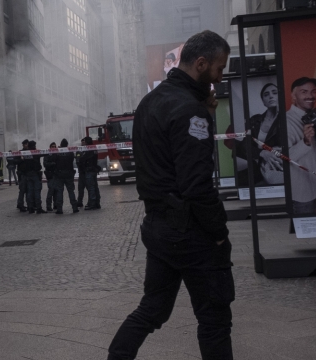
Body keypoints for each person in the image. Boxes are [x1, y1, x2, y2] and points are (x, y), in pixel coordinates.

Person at [107, 30, 233, 360]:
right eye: (219, 69)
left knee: (152, 309)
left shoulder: (151, 102)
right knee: (215, 318)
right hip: (191, 233)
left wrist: (202, 109)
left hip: (159, 226)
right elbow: (197, 184)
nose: (220, 78)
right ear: (201, 63)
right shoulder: (190, 110)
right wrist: (218, 234)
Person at [286, 77, 316, 214]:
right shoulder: (286, 121)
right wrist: (305, 141)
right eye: (304, 92)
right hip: (300, 194)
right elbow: (283, 158)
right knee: (301, 233)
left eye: (313, 91)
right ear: (293, 96)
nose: (310, 96)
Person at [235, 83, 283, 186]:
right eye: (266, 94)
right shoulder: (254, 120)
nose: (271, 96)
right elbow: (245, 145)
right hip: (257, 165)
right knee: (239, 181)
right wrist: (262, 153)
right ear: (263, 102)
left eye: (275, 93)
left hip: (278, 166)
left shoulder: (287, 118)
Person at [19, 141, 46, 214]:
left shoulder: (25, 153)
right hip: (35, 174)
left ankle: (30, 208)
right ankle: (38, 208)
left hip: (28, 174)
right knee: (37, 191)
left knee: (30, 192)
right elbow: (45, 154)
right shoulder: (35, 152)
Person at [53, 139, 79, 214]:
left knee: (59, 192)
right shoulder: (70, 152)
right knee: (71, 191)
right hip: (69, 173)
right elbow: (71, 160)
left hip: (60, 174)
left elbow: (54, 160)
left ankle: (59, 209)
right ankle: (74, 207)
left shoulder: (57, 152)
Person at [79, 137, 101, 210]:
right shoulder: (94, 148)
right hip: (93, 169)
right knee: (95, 187)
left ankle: (92, 204)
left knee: (91, 188)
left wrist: (81, 157)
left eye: (85, 141)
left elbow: (83, 158)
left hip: (89, 170)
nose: (84, 143)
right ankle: (97, 203)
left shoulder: (88, 149)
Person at [43, 142, 58, 211]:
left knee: (56, 191)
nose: (53, 148)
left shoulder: (57, 154)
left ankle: (56, 205)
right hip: (50, 174)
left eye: (54, 146)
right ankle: (48, 206)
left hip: (56, 174)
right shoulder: (47, 154)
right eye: (52, 146)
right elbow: (45, 164)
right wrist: (53, 164)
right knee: (51, 190)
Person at [16, 139, 29, 212]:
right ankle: (20, 204)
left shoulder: (30, 151)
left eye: (27, 144)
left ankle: (23, 204)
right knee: (22, 189)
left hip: (27, 173)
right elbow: (15, 161)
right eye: (25, 144)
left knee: (27, 190)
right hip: (21, 173)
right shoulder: (20, 153)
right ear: (23, 145)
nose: (27, 145)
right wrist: (21, 159)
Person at [75, 143, 87, 208]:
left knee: (89, 188)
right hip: (82, 173)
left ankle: (91, 201)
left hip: (86, 172)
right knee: (80, 189)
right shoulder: (79, 152)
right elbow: (78, 161)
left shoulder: (88, 150)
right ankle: (79, 202)